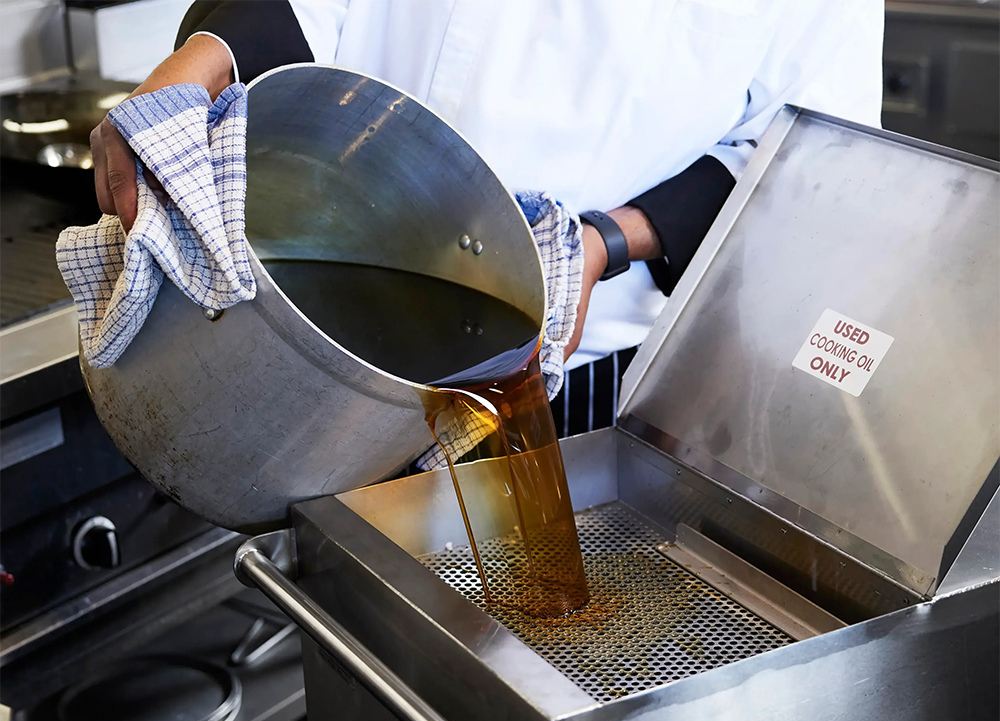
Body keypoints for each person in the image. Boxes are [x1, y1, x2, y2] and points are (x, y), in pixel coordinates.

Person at [90, 0, 884, 436]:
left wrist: (607, 242)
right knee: (360, 614)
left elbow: (797, 145)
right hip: (345, 286)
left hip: (580, 360)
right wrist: (198, 62)